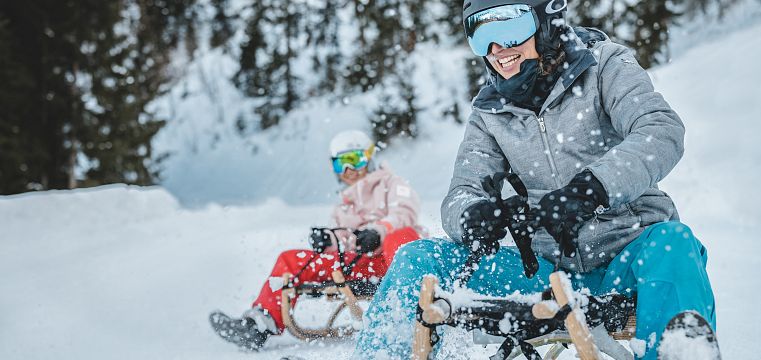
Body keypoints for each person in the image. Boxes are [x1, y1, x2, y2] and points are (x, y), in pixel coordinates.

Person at [353, 1, 715, 359]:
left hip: (629, 260)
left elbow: (660, 129)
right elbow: (461, 193)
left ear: (546, 22)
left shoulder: (605, 65)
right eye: (482, 35)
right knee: (418, 258)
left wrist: (593, 188)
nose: (497, 50)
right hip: (546, 273)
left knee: (674, 244)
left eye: (509, 29)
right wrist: (472, 217)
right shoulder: (490, 112)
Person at [210, 130, 422, 351]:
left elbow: (405, 213)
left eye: (354, 160)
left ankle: (410, 305)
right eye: (341, 164)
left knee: (402, 235)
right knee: (291, 260)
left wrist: (378, 231)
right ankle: (259, 324)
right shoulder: (343, 205)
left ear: (369, 158)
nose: (348, 170)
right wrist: (328, 241)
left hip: (396, 263)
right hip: (360, 265)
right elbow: (343, 244)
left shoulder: (393, 184)